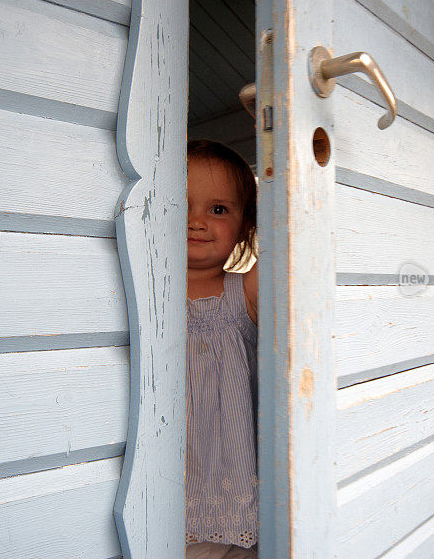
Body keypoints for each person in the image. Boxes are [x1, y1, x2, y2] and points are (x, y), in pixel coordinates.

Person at [185, 140, 259, 559]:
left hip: (234, 506)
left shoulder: (243, 293)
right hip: (165, 501)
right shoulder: (149, 296)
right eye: (182, 203)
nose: (197, 222)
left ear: (245, 227)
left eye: (218, 210)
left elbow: (291, 253)